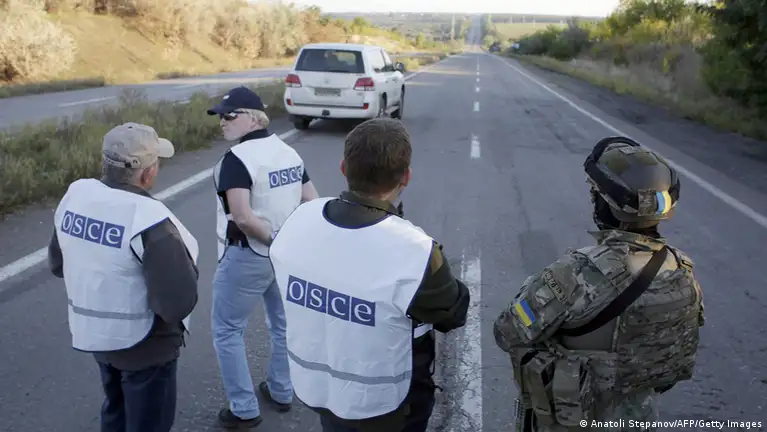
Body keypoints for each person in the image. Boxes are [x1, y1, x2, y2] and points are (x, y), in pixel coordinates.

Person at [269, 117, 472, 432]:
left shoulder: (299, 220)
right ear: (406, 177)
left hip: (319, 390)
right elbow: (452, 313)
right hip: (387, 407)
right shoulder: (414, 250)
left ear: (343, 168)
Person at [492, 136, 706, 431]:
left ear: (605, 205)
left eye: (596, 193)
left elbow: (507, 332)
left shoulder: (577, 273)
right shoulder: (681, 269)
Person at [47, 122, 200, 432]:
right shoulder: (149, 219)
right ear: (147, 173)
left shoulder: (77, 196)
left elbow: (57, 264)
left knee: (115, 411)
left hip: (98, 337)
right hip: (147, 346)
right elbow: (176, 304)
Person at [206, 86, 319, 429]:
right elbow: (312, 202)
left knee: (227, 330)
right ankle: (282, 391)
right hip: (283, 260)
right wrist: (289, 244)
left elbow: (242, 217)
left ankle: (243, 409)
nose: (222, 122)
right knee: (282, 325)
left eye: (229, 116)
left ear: (254, 118)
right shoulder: (288, 153)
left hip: (247, 255)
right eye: (220, 116)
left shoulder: (237, 160)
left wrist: (274, 240)